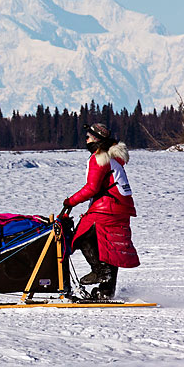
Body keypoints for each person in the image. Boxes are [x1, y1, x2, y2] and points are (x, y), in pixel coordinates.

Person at [63, 123, 140, 299]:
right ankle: (106, 291)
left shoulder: (99, 158)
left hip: (107, 208)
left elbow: (92, 188)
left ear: (96, 139)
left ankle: (100, 271)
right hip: (121, 207)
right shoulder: (113, 157)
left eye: (88, 137)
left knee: (81, 236)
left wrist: (70, 201)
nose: (86, 140)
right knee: (111, 248)